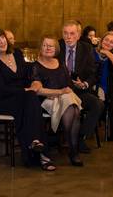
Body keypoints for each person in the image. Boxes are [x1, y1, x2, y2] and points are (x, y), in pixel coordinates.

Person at [0, 27, 54, 171]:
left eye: (2, 37)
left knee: (30, 100)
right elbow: (1, 89)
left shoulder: (17, 53)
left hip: (23, 98)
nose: (2, 41)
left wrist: (35, 81)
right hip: (2, 100)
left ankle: (34, 143)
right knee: (30, 101)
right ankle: (43, 155)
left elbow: (29, 73)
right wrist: (24, 90)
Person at [32, 37, 84, 166]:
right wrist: (57, 93)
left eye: (51, 46)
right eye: (45, 45)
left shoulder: (60, 64)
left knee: (72, 106)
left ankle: (70, 145)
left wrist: (63, 92)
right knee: (74, 110)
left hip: (64, 98)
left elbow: (68, 86)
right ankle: (73, 149)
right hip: (47, 100)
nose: (48, 48)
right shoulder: (35, 66)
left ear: (56, 49)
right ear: (40, 48)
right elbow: (38, 91)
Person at [58, 20, 104, 153]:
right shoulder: (57, 46)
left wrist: (84, 84)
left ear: (78, 35)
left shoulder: (86, 48)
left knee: (98, 104)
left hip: (79, 90)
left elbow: (93, 73)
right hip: (60, 91)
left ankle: (79, 137)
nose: (68, 37)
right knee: (72, 107)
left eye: (72, 33)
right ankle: (64, 138)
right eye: (65, 33)